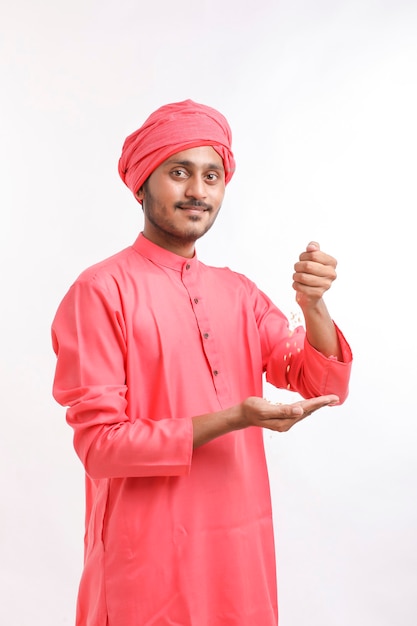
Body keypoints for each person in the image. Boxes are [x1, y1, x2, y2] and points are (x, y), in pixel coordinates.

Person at [51, 99, 352, 626]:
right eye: (179, 172)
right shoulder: (100, 291)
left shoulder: (237, 292)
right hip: (147, 563)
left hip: (240, 558)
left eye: (211, 175)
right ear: (142, 183)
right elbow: (100, 447)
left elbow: (313, 376)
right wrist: (233, 418)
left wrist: (313, 305)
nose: (198, 191)